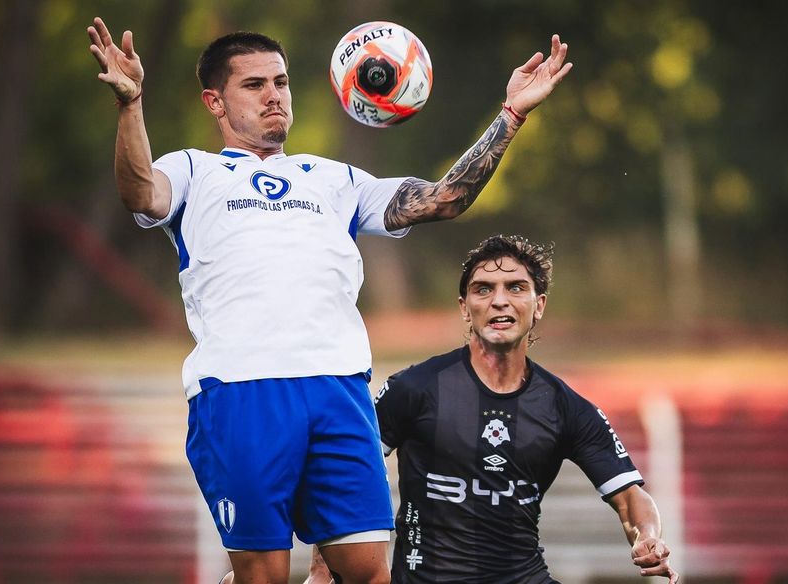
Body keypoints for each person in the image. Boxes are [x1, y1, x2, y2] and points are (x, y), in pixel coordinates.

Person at [87, 16, 571, 584]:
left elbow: (443, 199)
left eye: (282, 82)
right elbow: (139, 191)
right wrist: (130, 105)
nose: (274, 96)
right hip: (242, 391)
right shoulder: (193, 170)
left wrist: (511, 115)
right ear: (215, 103)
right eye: (254, 85)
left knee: (368, 574)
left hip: (340, 391)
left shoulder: (333, 178)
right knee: (263, 575)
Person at [308, 235, 679, 583]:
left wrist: (647, 536)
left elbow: (631, 498)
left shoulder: (567, 408)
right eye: (483, 289)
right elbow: (346, 477)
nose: (499, 300)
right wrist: (322, 572)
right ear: (465, 309)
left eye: (515, 287)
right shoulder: (415, 389)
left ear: (539, 305)